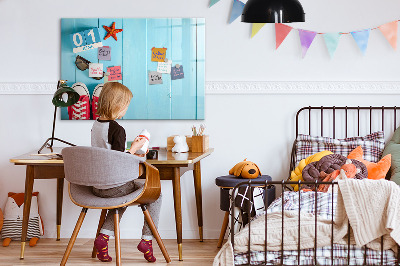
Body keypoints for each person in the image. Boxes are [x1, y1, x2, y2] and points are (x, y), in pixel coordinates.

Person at [91, 82, 161, 263]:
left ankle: (103, 238)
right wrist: (136, 148)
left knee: (121, 197)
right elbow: (119, 161)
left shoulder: (96, 125)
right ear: (117, 105)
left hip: (97, 186)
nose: (126, 109)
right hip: (114, 186)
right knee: (156, 194)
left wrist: (130, 150)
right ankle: (147, 240)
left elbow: (108, 154)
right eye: (126, 105)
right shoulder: (117, 129)